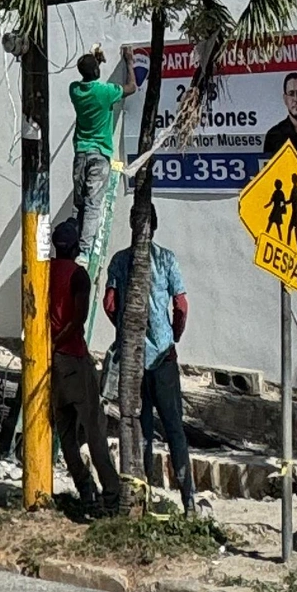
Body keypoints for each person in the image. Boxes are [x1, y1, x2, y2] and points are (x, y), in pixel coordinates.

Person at [103, 206, 196, 515]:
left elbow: (110, 304)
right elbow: (181, 305)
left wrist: (125, 330)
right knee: (175, 431)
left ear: (133, 225)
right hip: (164, 358)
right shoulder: (166, 259)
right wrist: (172, 335)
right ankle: (188, 500)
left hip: (134, 360)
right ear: (154, 226)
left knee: (140, 431)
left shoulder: (120, 260)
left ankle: (142, 500)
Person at [48, 219, 120, 517]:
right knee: (94, 431)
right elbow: (78, 319)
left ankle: (86, 490)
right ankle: (112, 496)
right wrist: (60, 341)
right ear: (76, 247)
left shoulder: (45, 271)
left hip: (51, 362)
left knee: (66, 433)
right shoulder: (78, 276)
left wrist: (49, 346)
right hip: (74, 358)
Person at [66, 49, 123, 257]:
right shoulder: (106, 92)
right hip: (100, 154)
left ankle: (72, 245)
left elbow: (88, 80)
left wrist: (94, 62)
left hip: (81, 152)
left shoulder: (74, 90)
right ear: (97, 71)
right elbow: (131, 88)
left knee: (79, 203)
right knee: (93, 203)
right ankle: (84, 251)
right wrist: (129, 61)